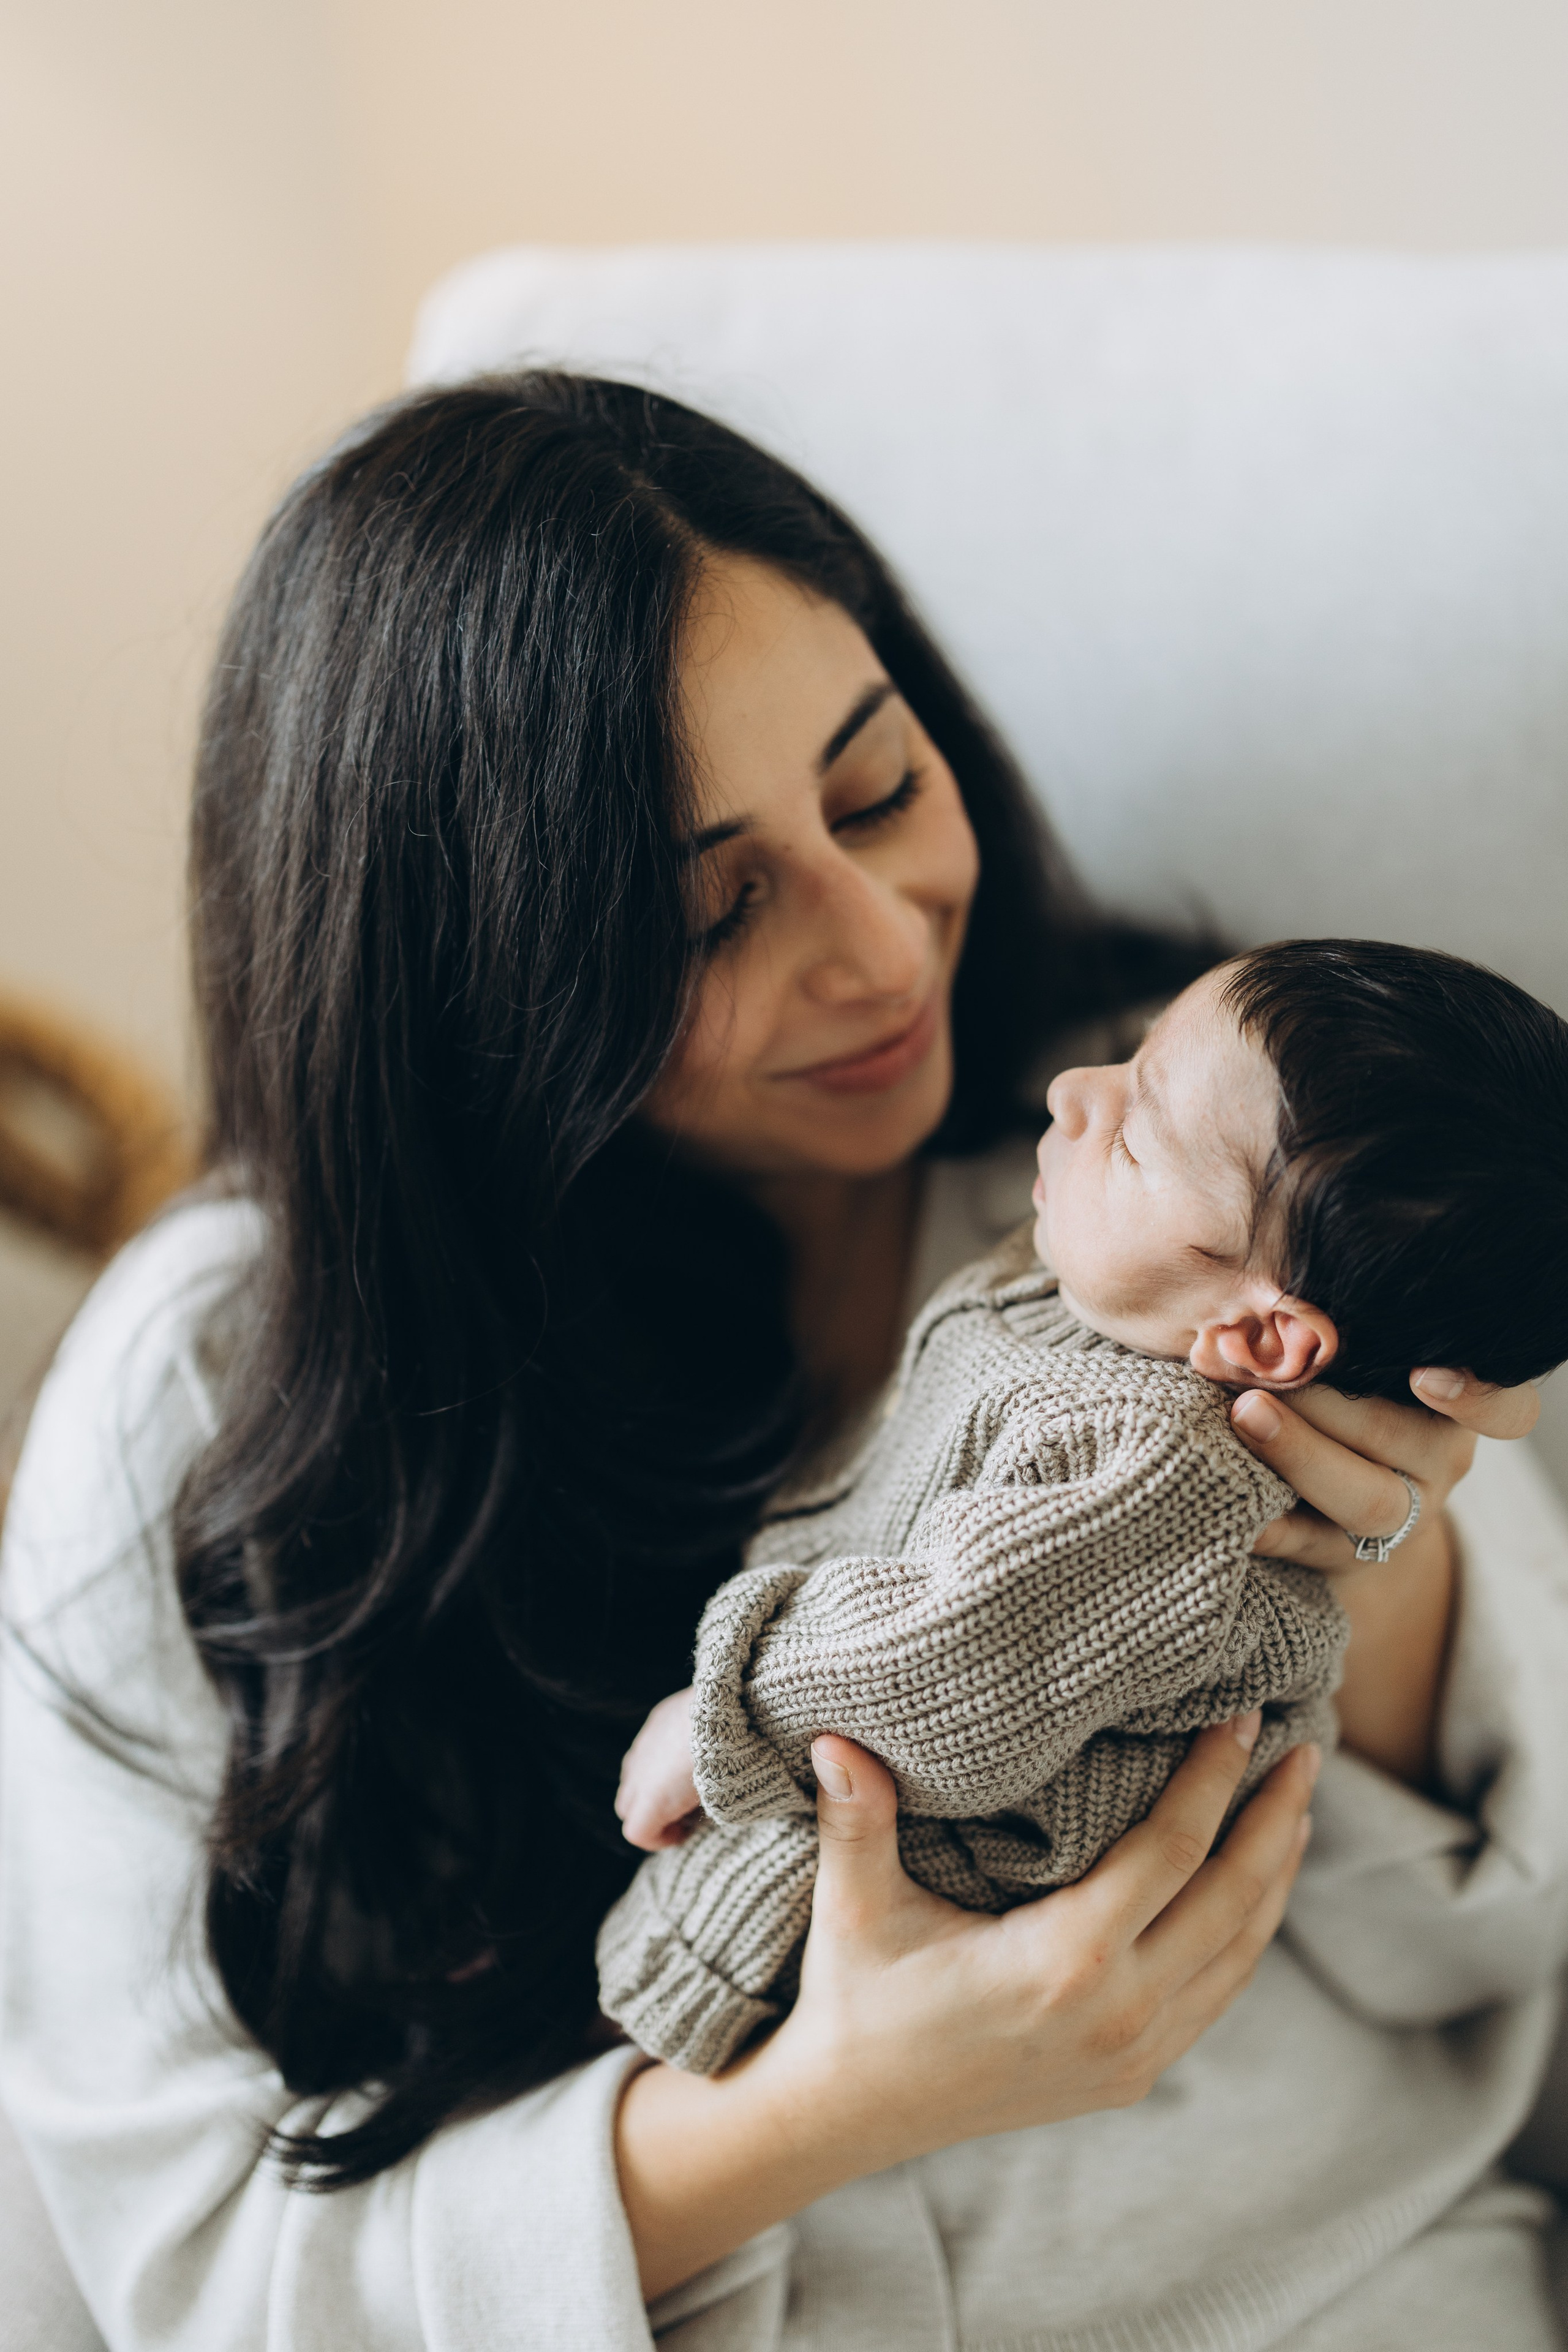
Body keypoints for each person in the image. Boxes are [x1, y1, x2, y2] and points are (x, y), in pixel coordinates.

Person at [0, 374, 1561, 2352]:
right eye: (712, 909)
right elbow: (194, 2279)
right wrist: (828, 2110)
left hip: (1348, 2287)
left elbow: (1506, 1948)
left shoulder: (1226, 1159)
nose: (880, 952)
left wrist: (1367, 1544)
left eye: (880, 788)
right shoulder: (212, 1385)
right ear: (472, 982)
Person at [603, 940, 1568, 2078]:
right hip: (901, 1753)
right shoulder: (1110, 1295)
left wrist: (729, 1706)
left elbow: (959, 1652)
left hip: (972, 1828)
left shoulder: (1161, 1465)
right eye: (1128, 1057)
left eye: (1134, 1135)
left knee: (705, 1928)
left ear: (1263, 1338)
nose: (1074, 1094)